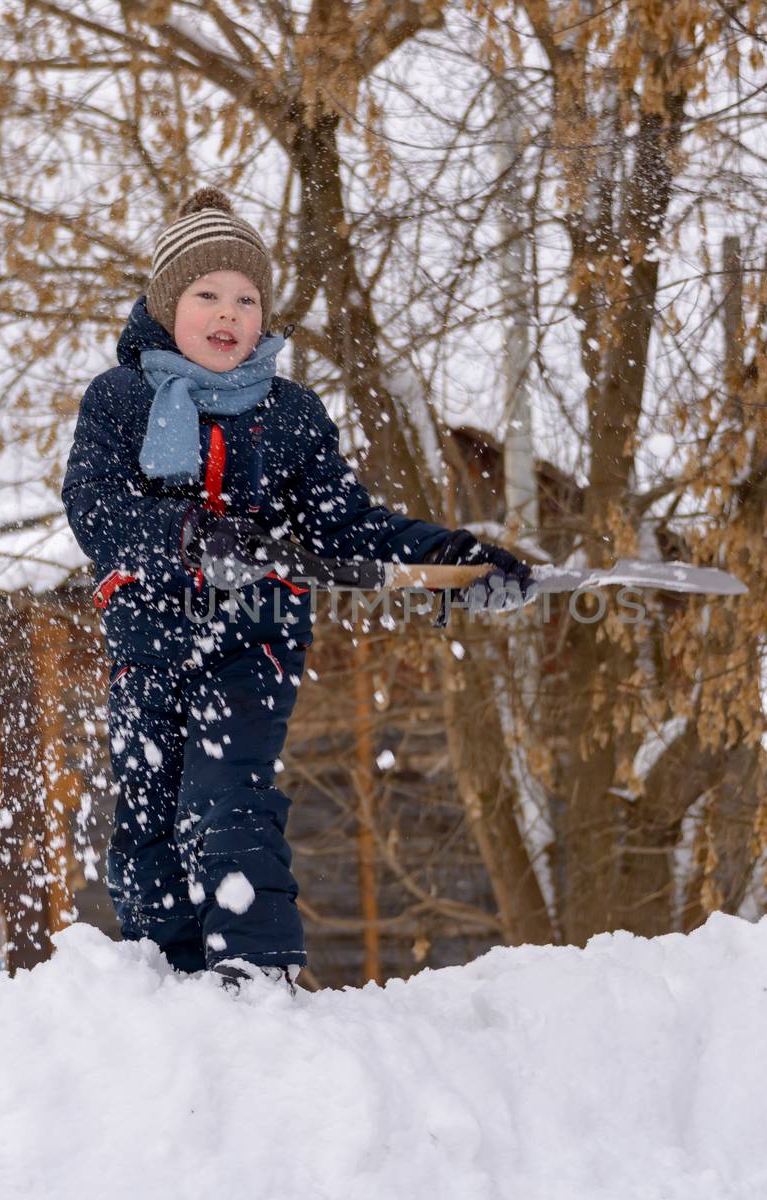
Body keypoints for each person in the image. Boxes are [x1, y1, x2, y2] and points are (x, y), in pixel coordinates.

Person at [62, 187, 532, 990]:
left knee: (224, 799)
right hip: (148, 646)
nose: (228, 312)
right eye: (207, 293)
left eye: (246, 298)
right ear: (167, 304)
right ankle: (163, 994)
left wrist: (455, 558)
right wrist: (185, 536)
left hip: (254, 640)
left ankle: (255, 980)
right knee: (147, 824)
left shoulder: (290, 415)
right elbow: (95, 503)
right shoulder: (121, 400)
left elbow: (345, 527)